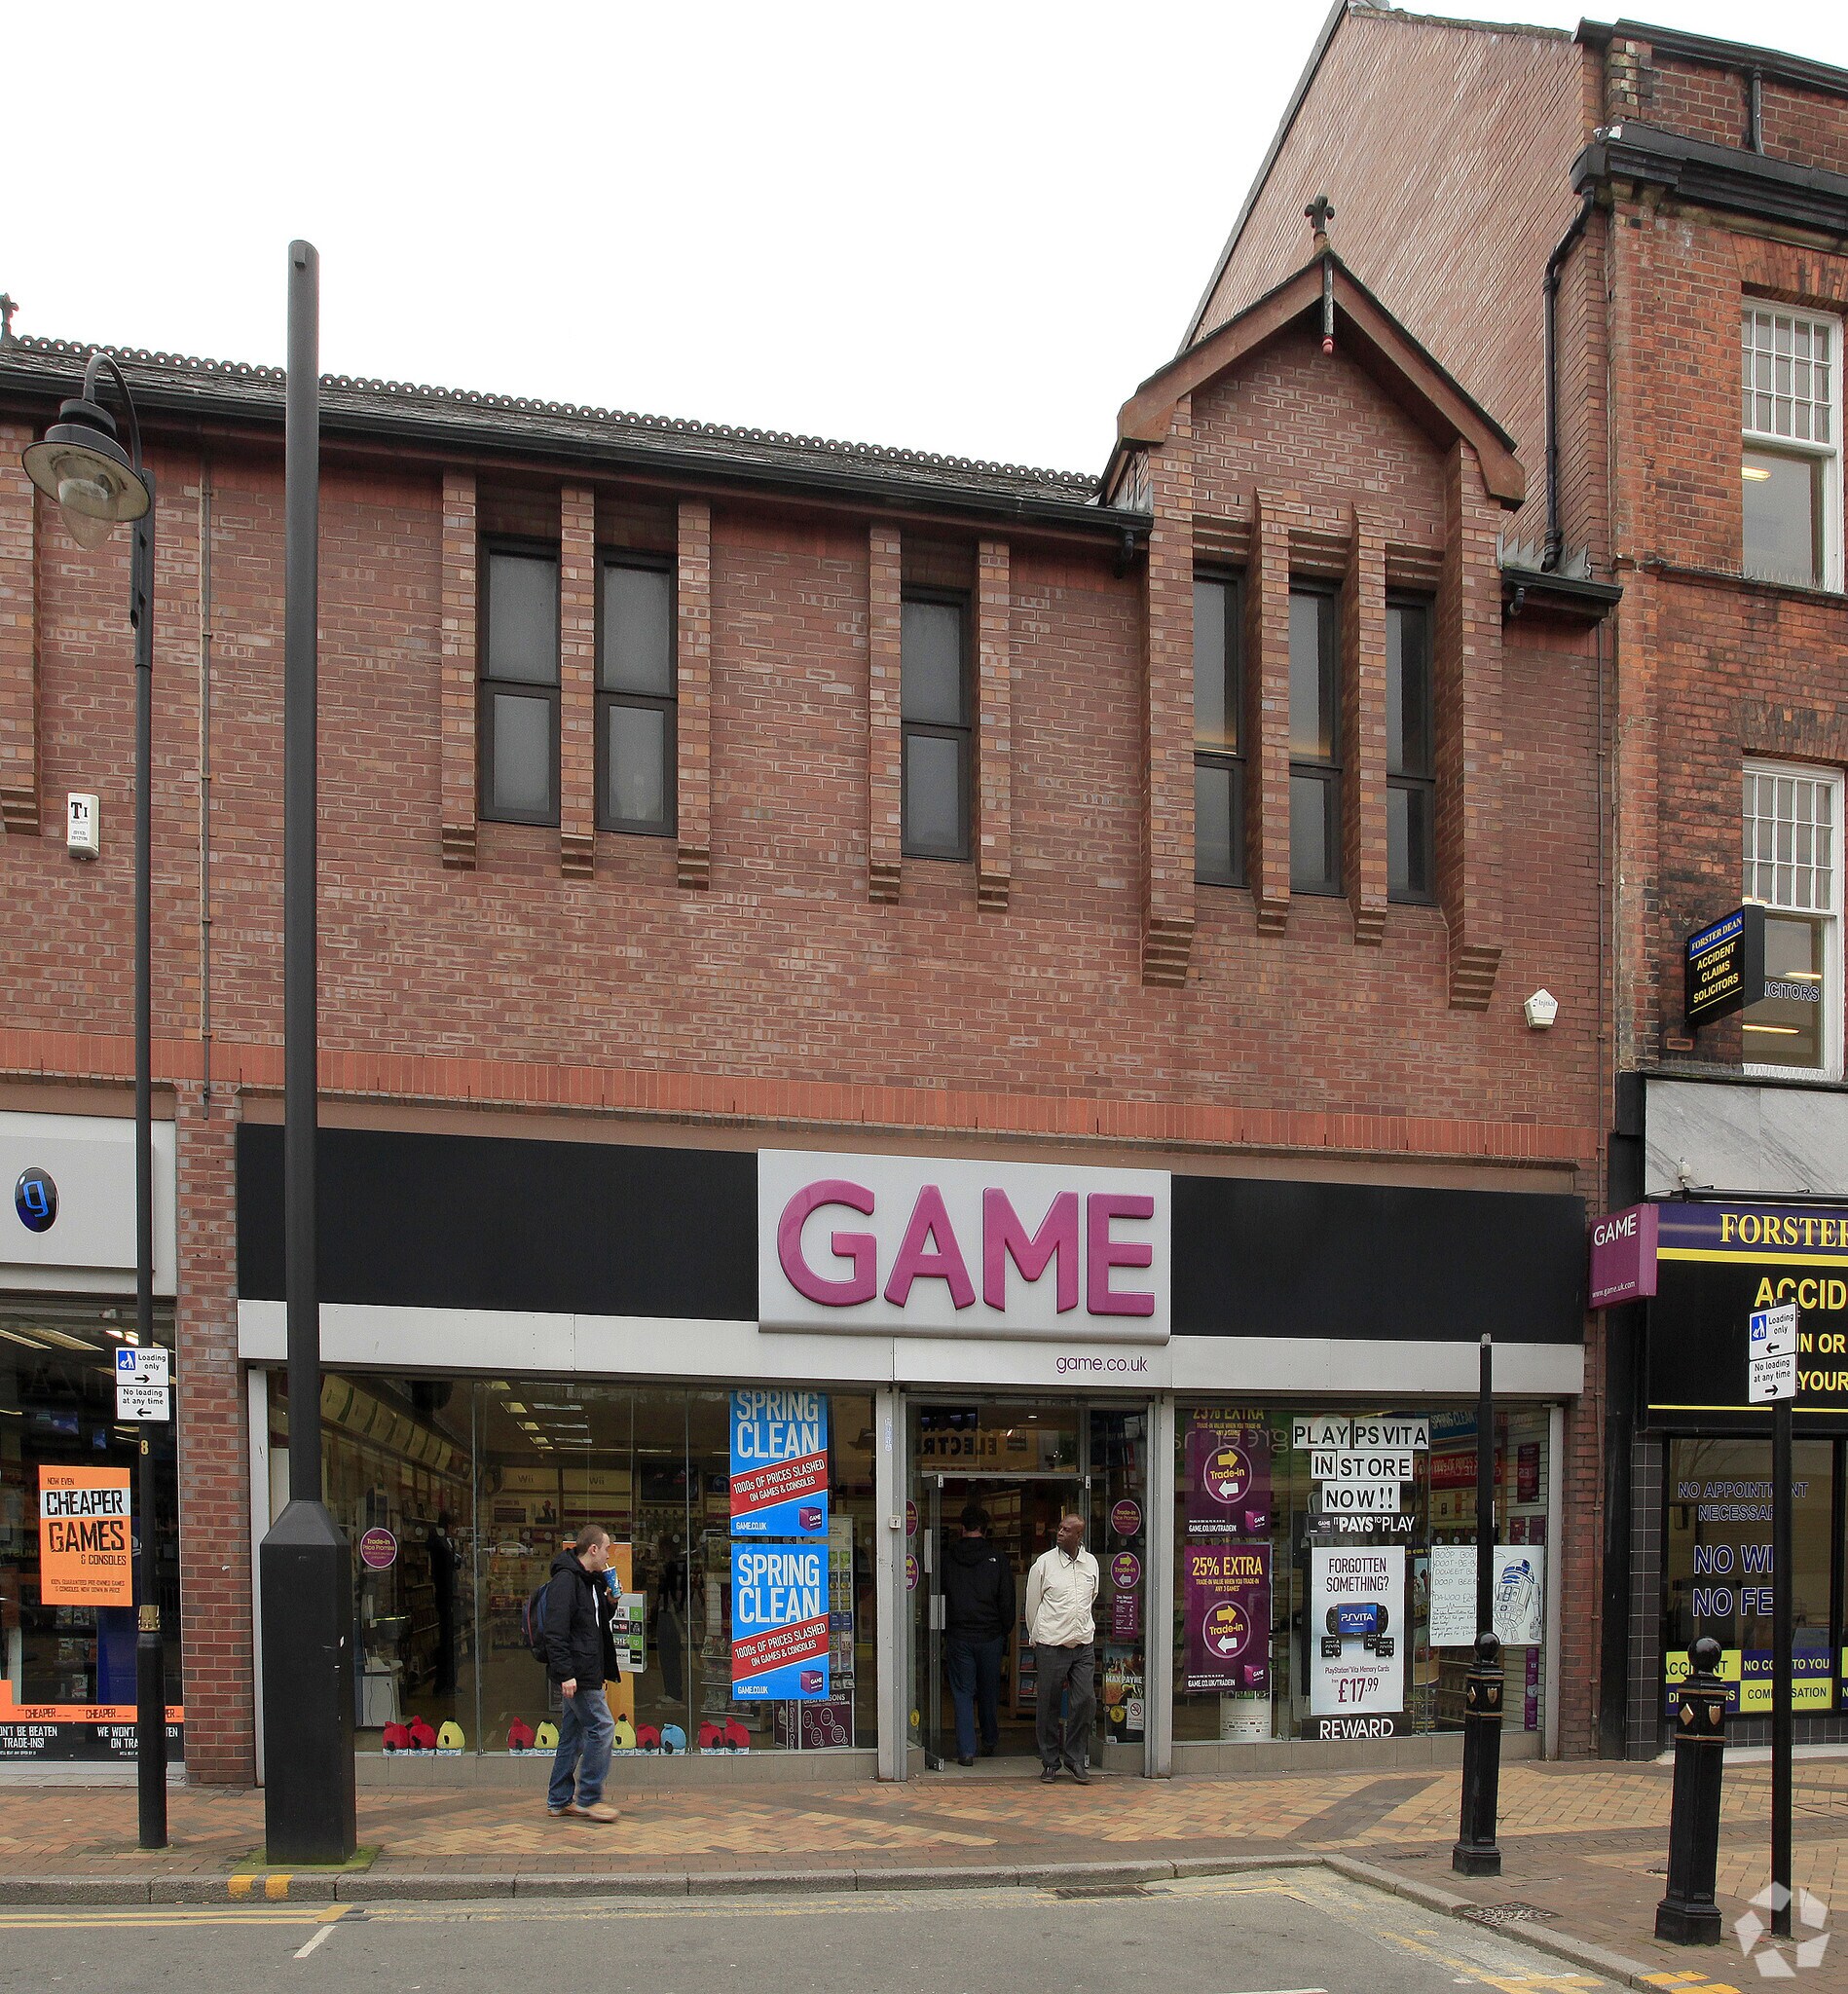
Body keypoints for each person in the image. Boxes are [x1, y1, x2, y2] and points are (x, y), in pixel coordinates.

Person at [542, 1524, 621, 1822]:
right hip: (579, 1673)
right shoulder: (566, 1581)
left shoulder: (591, 1580)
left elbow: (593, 1624)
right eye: (606, 1549)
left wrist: (611, 1603)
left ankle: (559, 1799)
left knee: (572, 1736)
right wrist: (565, 1673)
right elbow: (555, 1631)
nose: (608, 1555)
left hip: (587, 1669)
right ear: (593, 1549)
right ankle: (589, 1797)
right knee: (603, 1727)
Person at [1024, 1511, 1099, 1783]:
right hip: (1051, 1644)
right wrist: (1036, 1637)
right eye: (1060, 1528)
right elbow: (1032, 1605)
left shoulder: (1091, 1564)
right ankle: (1049, 1762)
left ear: (1079, 1535)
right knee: (1048, 1704)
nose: (1060, 1533)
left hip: (1082, 1643)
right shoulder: (1043, 1564)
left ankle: (1075, 1758)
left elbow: (1092, 1597)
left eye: (1067, 1530)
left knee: (1086, 1700)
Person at [941, 1501, 1016, 1766]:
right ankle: (990, 1739)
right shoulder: (997, 1559)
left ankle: (966, 1751)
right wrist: (1004, 1630)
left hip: (959, 1635)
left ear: (962, 1528)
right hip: (990, 1636)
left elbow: (941, 1595)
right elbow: (1007, 1600)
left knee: (962, 1692)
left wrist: (945, 1630)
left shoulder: (948, 1559)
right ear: (985, 1529)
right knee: (989, 1691)